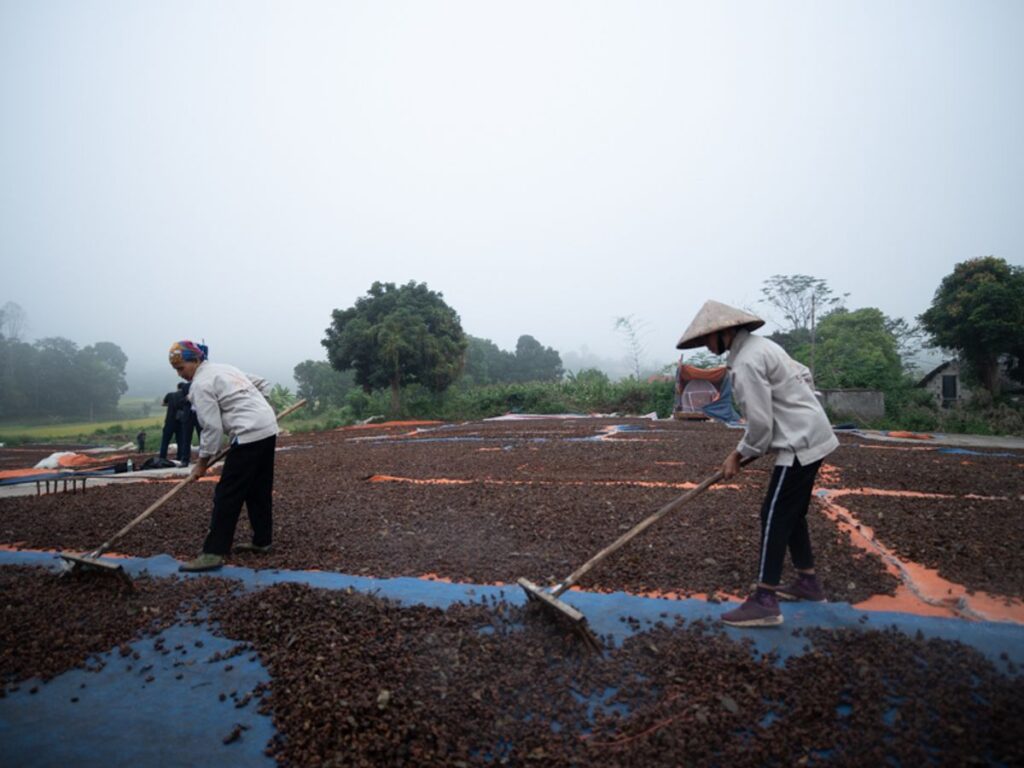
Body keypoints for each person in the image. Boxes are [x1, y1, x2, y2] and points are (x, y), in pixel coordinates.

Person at [676, 300, 839, 627]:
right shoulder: (763, 347)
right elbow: (803, 375)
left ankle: (765, 599)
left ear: (725, 333)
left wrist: (737, 455)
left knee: (774, 514)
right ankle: (808, 582)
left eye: (708, 339)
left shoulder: (748, 362)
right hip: (812, 434)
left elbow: (761, 429)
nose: (707, 347)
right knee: (792, 514)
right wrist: (797, 405)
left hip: (799, 443)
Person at [168, 340, 279, 573]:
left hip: (249, 433)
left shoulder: (201, 384)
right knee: (258, 488)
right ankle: (262, 541)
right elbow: (262, 384)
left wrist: (202, 463)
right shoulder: (227, 369)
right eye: (177, 370)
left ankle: (213, 552)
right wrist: (261, 408)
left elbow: (212, 428)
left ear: (196, 360)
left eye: (182, 368)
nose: (181, 374)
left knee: (227, 493)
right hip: (267, 428)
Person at [158, 388, 182, 460]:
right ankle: (180, 457)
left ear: (177, 388)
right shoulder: (184, 395)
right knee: (180, 441)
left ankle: (162, 458)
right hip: (180, 422)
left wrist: (170, 404)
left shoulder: (170, 395)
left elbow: (163, 403)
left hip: (169, 421)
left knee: (165, 441)